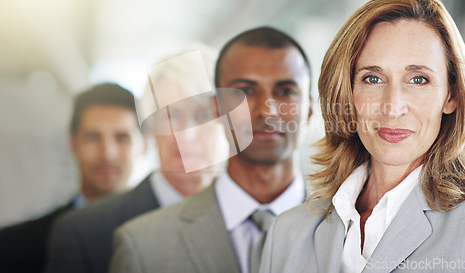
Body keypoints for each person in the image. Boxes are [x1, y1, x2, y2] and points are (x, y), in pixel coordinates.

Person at [258, 0, 465, 273]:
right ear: (346, 93)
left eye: (418, 79)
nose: (392, 107)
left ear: (452, 95)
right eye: (372, 78)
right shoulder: (286, 234)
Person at [109, 27, 313, 273]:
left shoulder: (354, 230)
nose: (266, 111)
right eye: (246, 91)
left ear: (310, 110)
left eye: (286, 91)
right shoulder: (142, 244)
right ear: (219, 108)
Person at [44, 47, 225, 273]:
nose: (185, 135)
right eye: (172, 115)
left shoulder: (259, 221)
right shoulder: (84, 233)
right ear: (149, 126)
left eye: (204, 115)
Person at [0, 83, 145, 273]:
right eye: (93, 137)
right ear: (73, 143)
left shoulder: (164, 238)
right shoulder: (13, 248)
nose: (107, 153)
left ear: (144, 146)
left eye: (122, 138)